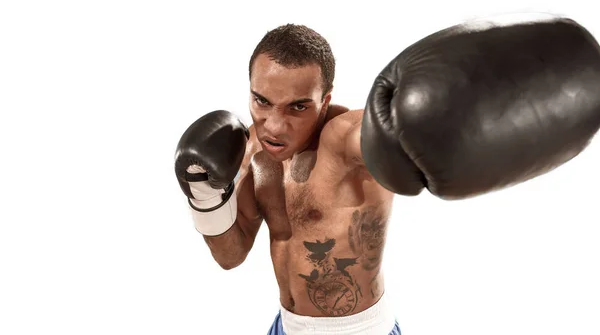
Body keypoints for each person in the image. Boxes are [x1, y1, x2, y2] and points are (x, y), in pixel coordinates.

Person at [175, 16, 600, 335]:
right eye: (261, 101)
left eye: (297, 107)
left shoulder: (346, 140)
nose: (273, 125)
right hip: (284, 327)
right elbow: (230, 255)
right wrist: (205, 197)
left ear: (325, 101)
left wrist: (428, 122)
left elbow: (381, 134)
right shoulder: (251, 152)